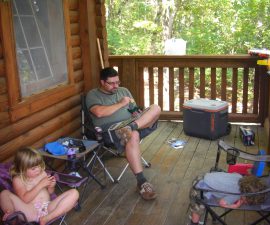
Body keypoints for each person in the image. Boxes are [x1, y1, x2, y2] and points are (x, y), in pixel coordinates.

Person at [86, 67, 161, 200]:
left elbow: (133, 108)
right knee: (134, 135)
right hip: (110, 130)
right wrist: (121, 104)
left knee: (156, 108)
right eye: (112, 83)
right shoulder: (93, 94)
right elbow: (99, 112)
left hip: (132, 123)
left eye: (117, 82)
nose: (116, 86)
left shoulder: (124, 90)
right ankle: (142, 182)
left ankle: (132, 126)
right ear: (102, 82)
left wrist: (136, 112)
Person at [0, 147, 79, 225]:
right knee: (4, 193)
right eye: (33, 168)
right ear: (22, 169)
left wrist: (51, 186)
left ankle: (46, 218)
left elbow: (50, 193)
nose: (38, 169)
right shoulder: (18, 179)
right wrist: (40, 185)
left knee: (74, 193)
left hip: (47, 207)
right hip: (30, 210)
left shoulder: (42, 173)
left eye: (39, 165)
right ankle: (11, 215)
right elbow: (25, 199)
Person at [188, 172, 267, 225]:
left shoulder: (239, 177)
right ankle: (194, 223)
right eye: (247, 201)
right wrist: (235, 206)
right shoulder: (236, 194)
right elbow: (222, 203)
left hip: (204, 176)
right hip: (199, 187)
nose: (246, 203)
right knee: (197, 209)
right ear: (245, 196)